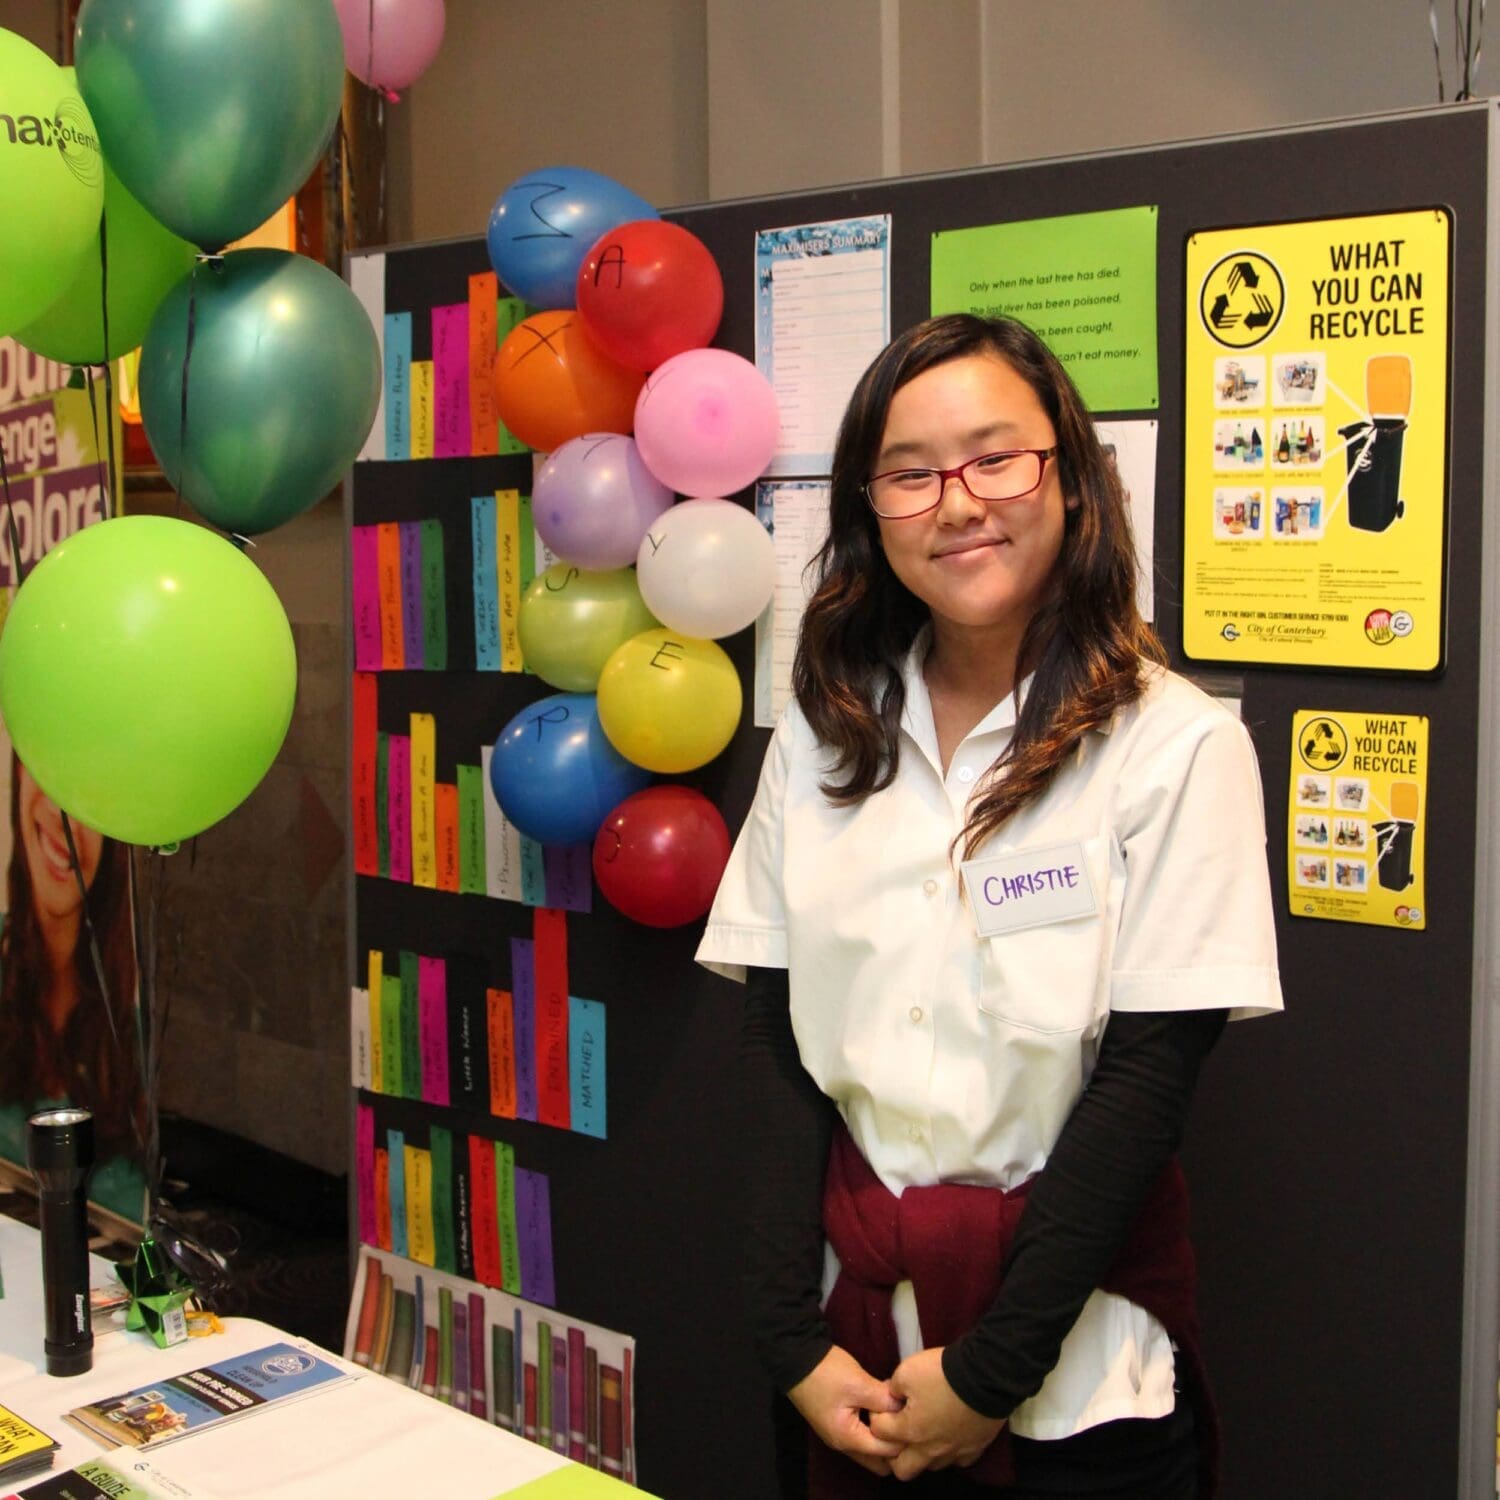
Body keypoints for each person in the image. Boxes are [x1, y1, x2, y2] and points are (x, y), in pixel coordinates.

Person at [697, 314, 1282, 1497]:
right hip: (843, 1348)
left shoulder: (1175, 748)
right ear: (870, 510)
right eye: (911, 473)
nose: (957, 501)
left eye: (995, 457)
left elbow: (1144, 1093)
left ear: (1071, 477)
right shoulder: (823, 732)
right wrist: (788, 1342)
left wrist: (989, 1375)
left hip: (1073, 1376)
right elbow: (775, 1045)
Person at [0, 754, 144, 1221]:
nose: (65, 821)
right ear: (19, 774)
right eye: (50, 773)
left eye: (93, 800)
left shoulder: (139, 1035)